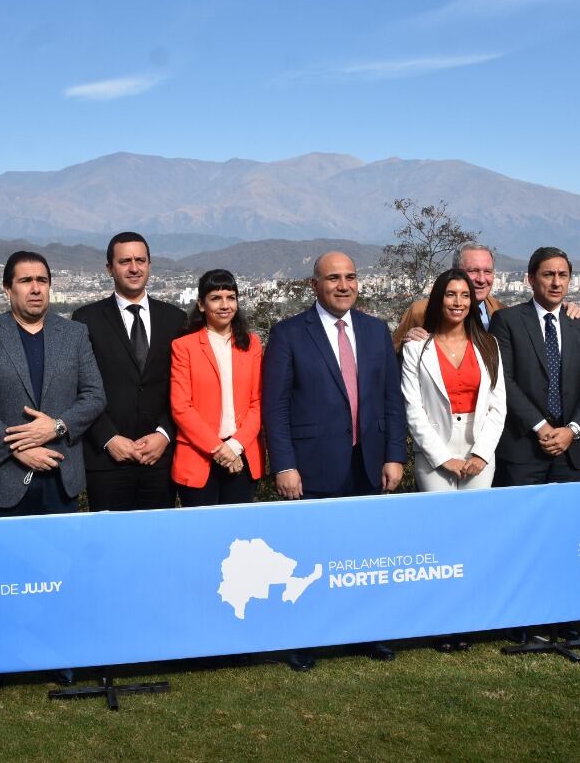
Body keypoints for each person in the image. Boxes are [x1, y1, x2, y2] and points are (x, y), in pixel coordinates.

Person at [0, 250, 106, 693]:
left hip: (59, 473)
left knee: (56, 572)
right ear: (8, 289)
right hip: (4, 475)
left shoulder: (75, 334)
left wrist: (55, 428)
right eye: (25, 281)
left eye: (42, 279)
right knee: (0, 574)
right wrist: (19, 447)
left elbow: (94, 396)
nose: (36, 288)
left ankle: (55, 654)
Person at [262, 251, 407, 670]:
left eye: (350, 277)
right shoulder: (289, 333)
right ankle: (305, 640)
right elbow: (276, 408)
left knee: (364, 554)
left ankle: (368, 633)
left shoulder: (376, 330)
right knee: (309, 554)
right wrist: (284, 465)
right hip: (312, 466)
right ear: (315, 285)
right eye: (333, 278)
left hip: (369, 461)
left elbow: (390, 400)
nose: (343, 285)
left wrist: (395, 455)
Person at [74, 232, 187, 511]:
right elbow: (79, 387)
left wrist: (164, 433)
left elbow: (184, 386)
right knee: (108, 546)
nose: (134, 268)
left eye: (140, 260)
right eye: (125, 261)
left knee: (157, 543)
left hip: (160, 458)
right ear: (109, 269)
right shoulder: (85, 320)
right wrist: (108, 438)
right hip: (106, 460)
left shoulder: (175, 319)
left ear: (149, 264)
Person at [489, 246, 580, 487]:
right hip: (522, 449)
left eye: (563, 275)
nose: (556, 283)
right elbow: (504, 380)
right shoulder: (507, 321)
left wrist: (572, 430)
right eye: (548, 274)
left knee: (568, 521)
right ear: (530, 279)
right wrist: (541, 427)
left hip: (569, 451)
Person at [400, 269, 506, 492]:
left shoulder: (490, 345)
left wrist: (482, 454)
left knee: (476, 519)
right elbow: (413, 409)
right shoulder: (415, 348)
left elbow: (498, 407)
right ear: (438, 299)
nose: (458, 302)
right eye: (450, 294)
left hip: (479, 447)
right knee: (440, 520)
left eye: (465, 295)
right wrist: (441, 457)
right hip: (433, 448)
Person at [169, 269, 264, 506]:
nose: (224, 305)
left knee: (239, 536)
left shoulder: (251, 344)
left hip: (243, 455)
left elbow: (258, 402)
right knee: (201, 536)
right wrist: (219, 449)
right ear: (201, 305)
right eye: (216, 298)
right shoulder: (184, 347)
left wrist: (234, 445)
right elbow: (181, 407)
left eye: (230, 298)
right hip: (198, 457)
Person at [393, 242, 580, 352]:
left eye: (488, 271)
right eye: (473, 271)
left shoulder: (501, 312)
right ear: (455, 273)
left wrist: (562, 309)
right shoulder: (420, 311)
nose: (482, 279)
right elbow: (393, 361)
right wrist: (407, 344)